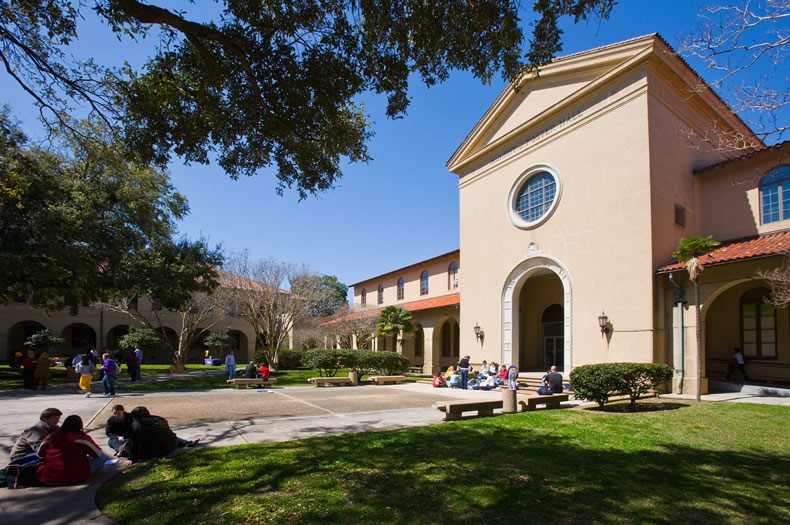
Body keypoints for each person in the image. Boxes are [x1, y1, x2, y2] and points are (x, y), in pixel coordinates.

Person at [36, 415, 106, 486]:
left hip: (49, 478)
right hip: (75, 476)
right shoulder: (82, 438)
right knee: (103, 457)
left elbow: (39, 454)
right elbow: (98, 454)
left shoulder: (50, 438)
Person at [121, 406, 198, 465]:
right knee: (165, 435)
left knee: (127, 441)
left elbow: (133, 443)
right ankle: (187, 443)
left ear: (135, 417)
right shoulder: (159, 418)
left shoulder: (136, 425)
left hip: (154, 452)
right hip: (171, 445)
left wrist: (131, 458)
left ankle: (120, 451)